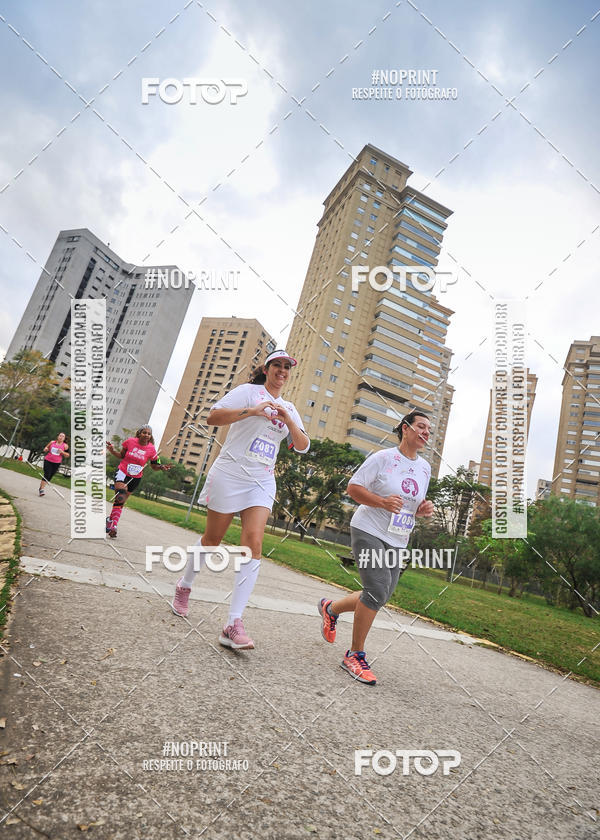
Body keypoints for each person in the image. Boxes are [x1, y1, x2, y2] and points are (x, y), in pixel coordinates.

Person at [171, 350, 310, 650]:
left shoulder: (288, 406)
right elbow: (213, 417)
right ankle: (184, 586)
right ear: (266, 368)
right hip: (230, 472)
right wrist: (254, 411)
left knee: (254, 542)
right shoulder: (248, 392)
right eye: (277, 365)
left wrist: (289, 421)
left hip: (261, 480)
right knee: (212, 538)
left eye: (287, 367)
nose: (282, 371)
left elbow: (302, 446)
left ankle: (233, 622)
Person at [318, 411, 434, 685]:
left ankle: (331, 608)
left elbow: (411, 503)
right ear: (405, 429)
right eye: (421, 426)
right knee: (377, 589)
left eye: (429, 429)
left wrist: (422, 509)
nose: (426, 432)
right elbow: (353, 488)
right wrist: (381, 502)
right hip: (369, 529)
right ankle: (354, 655)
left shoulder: (425, 468)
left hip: (398, 536)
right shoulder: (383, 458)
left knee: (379, 595)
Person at [105, 425, 171, 538]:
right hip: (123, 472)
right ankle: (114, 526)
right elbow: (121, 455)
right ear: (139, 433)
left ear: (151, 436)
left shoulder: (151, 449)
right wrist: (112, 450)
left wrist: (161, 467)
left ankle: (110, 520)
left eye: (149, 434)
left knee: (120, 502)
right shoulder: (130, 442)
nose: (146, 435)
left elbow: (155, 465)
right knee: (120, 497)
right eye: (144, 432)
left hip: (135, 478)